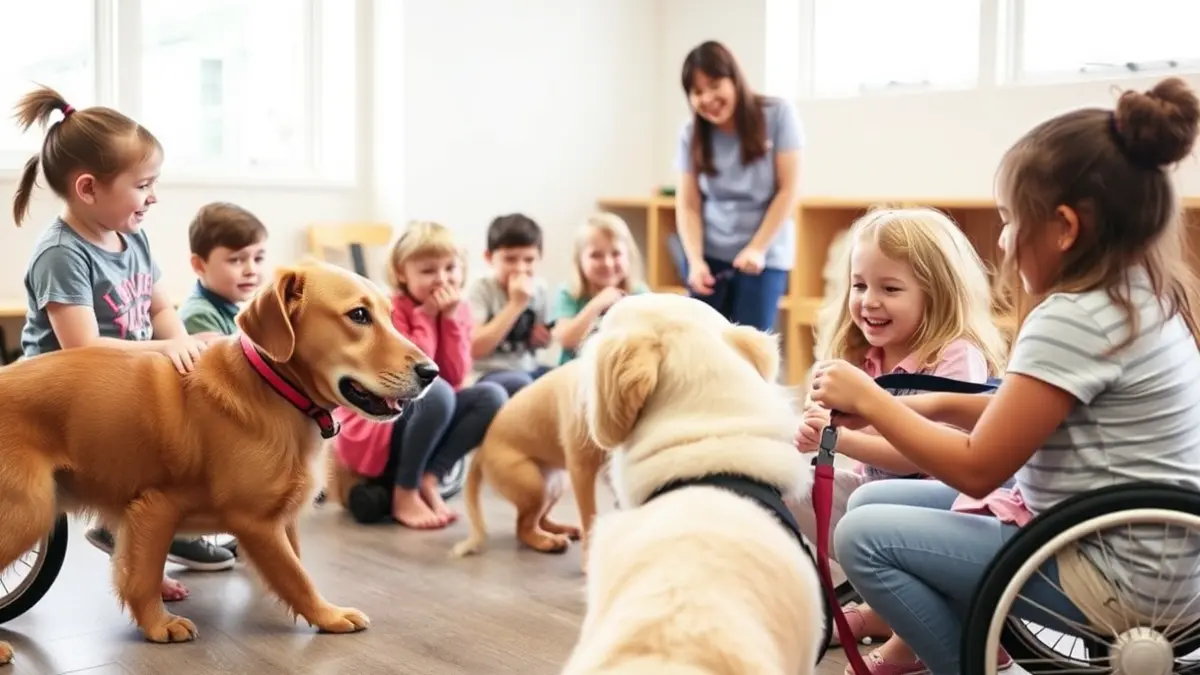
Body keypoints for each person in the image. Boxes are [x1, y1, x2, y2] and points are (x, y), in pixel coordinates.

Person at [811, 77, 1200, 675]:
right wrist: (926, 405)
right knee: (876, 495)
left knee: (862, 537)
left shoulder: (1073, 319)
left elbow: (979, 466)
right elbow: (1024, 411)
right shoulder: (1139, 295)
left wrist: (873, 399)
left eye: (1009, 220)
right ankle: (945, 645)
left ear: (1065, 228)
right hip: (1150, 556)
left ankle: (979, 667)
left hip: (1108, 570)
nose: (1001, 239)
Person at [12, 85, 221, 602]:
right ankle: (131, 528)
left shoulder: (134, 237)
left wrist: (189, 346)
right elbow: (82, 351)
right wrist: (161, 352)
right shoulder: (61, 254)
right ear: (88, 189)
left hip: (122, 382)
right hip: (64, 397)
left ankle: (141, 533)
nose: (153, 197)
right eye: (143, 184)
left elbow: (159, 308)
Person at [788, 207, 1007, 667]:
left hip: (945, 505)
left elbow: (918, 458)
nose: (869, 301)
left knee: (872, 521)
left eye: (890, 288)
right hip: (878, 496)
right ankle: (884, 611)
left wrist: (837, 439)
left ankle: (906, 641)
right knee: (789, 489)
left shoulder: (955, 355)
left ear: (937, 294)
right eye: (859, 284)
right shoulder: (864, 356)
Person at [333, 221, 507, 529]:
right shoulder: (389, 310)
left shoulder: (458, 309)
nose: (442, 279)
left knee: (491, 396)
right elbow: (408, 375)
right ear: (402, 273)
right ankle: (405, 491)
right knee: (436, 391)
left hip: (426, 414)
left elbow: (454, 376)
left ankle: (430, 477)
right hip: (384, 420)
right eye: (428, 271)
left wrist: (451, 321)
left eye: (450, 268)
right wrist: (426, 318)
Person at [673, 40, 803, 332]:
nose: (707, 97)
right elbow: (688, 204)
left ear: (734, 79)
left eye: (714, 84)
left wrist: (757, 248)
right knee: (702, 344)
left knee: (750, 348)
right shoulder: (690, 134)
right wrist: (695, 261)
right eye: (697, 92)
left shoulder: (778, 114)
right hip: (709, 255)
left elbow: (788, 190)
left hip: (765, 255)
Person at [174, 201, 270, 562]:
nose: (251, 270)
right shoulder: (200, 314)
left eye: (258, 258)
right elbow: (234, 370)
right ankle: (183, 530)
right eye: (236, 259)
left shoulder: (235, 306)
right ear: (199, 265)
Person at [467, 213, 553, 395]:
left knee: (565, 378)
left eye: (529, 260)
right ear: (489, 257)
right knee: (522, 384)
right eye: (510, 259)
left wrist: (541, 340)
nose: (520, 268)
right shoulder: (481, 288)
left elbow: (540, 342)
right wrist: (516, 304)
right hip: (488, 372)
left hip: (527, 367)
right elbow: (474, 348)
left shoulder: (540, 288)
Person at [550, 212, 649, 364]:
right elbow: (566, 339)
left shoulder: (638, 293)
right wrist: (597, 304)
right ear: (579, 260)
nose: (608, 263)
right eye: (596, 255)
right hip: (574, 375)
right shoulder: (569, 293)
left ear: (629, 256)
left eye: (616, 253)